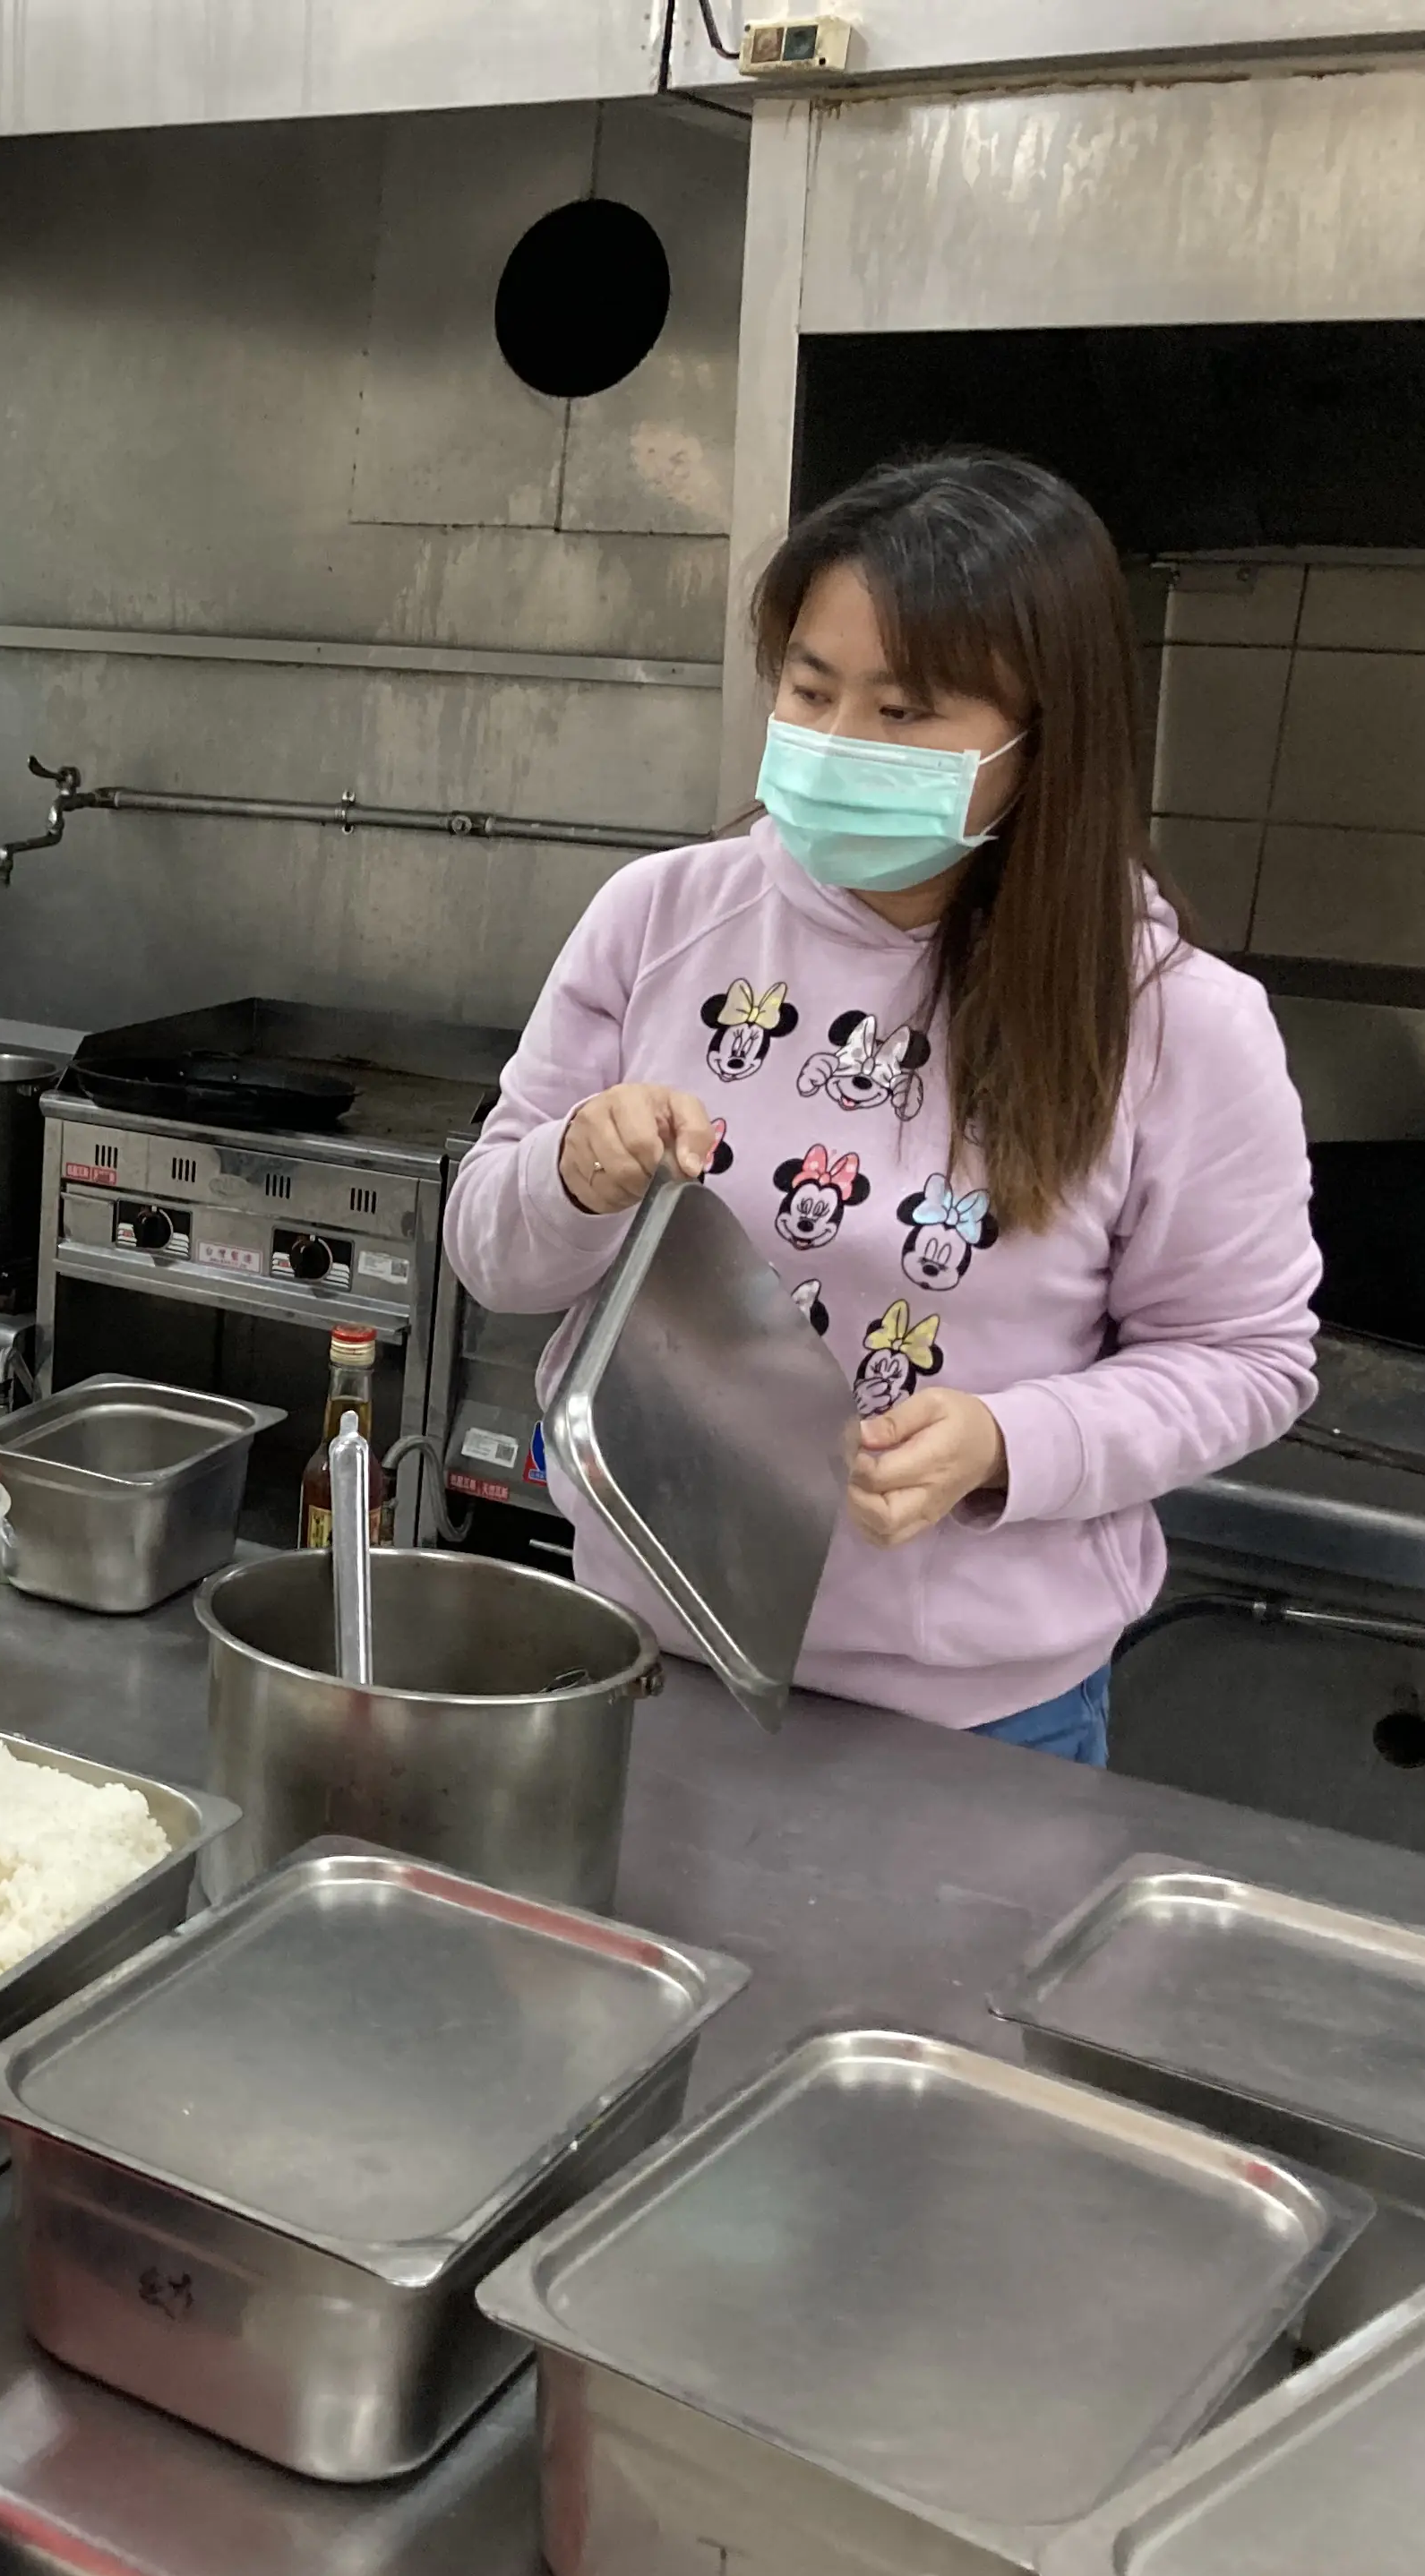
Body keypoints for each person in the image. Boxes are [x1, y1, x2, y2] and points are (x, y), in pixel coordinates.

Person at [445, 449, 1318, 1766]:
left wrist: (1010, 1444)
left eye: (908, 713)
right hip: (637, 1652)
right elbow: (491, 1256)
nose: (840, 744)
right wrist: (569, 1169)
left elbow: (1250, 1356)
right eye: (810, 688)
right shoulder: (661, 920)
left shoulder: (1176, 1022)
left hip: (976, 1719)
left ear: (1045, 743)